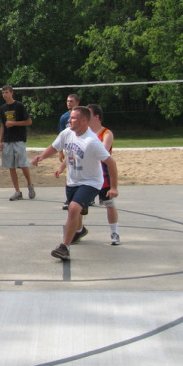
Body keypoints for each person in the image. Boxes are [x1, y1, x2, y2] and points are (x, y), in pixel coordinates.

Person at [31, 106, 119, 260]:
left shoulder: (92, 141)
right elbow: (54, 147)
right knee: (74, 213)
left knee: (73, 209)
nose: (69, 120)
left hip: (91, 182)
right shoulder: (67, 133)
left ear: (84, 121)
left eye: (73, 118)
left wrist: (114, 187)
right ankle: (80, 230)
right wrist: (41, 156)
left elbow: (111, 163)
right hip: (73, 181)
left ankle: (64, 247)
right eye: (70, 117)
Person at [87, 104, 121, 245]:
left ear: (96, 116)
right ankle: (78, 230)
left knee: (109, 203)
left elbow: (103, 151)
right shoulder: (84, 132)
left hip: (103, 175)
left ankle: (115, 233)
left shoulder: (106, 133)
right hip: (87, 174)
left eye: (88, 114)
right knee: (78, 206)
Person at [0, 85, 35, 201]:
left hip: (19, 139)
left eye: (7, 92)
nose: (5, 95)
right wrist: (0, 141)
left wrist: (14, 123)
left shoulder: (19, 106)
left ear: (12, 93)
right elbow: (2, 125)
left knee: (23, 164)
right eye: (3, 93)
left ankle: (30, 185)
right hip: (7, 140)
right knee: (11, 166)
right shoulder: (2, 108)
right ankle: (17, 191)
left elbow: (29, 121)